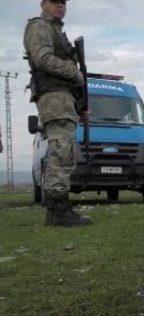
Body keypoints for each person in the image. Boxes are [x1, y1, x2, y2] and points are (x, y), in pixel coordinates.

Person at [24, 0, 91, 227]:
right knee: (61, 151)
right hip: (53, 95)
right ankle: (57, 210)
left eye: (63, 2)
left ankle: (59, 207)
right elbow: (42, 58)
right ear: (43, 3)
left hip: (63, 96)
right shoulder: (39, 26)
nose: (60, 6)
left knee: (65, 151)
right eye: (55, 2)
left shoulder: (56, 30)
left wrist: (80, 105)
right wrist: (74, 71)